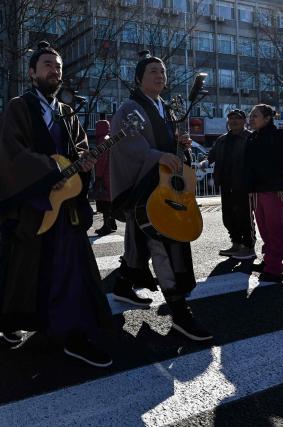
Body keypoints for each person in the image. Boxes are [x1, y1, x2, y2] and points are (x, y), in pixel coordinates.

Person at [0, 41, 114, 368]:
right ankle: (15, 320)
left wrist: (85, 162)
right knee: (23, 269)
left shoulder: (67, 112)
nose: (54, 70)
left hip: (65, 206)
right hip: (33, 204)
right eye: (47, 65)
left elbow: (81, 149)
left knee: (69, 269)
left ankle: (72, 333)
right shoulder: (19, 107)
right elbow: (12, 155)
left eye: (57, 66)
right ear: (32, 73)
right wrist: (51, 168)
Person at [109, 51, 212, 341]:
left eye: (163, 71)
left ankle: (122, 285)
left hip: (162, 187)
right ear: (139, 78)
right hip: (145, 188)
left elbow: (172, 148)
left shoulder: (164, 108)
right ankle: (180, 313)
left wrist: (182, 145)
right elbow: (130, 147)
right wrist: (159, 155)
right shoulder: (130, 109)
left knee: (142, 243)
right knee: (161, 244)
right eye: (153, 71)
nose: (160, 75)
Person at [245, 104, 283, 283]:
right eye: (251, 116)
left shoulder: (279, 136)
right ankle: (268, 261)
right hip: (256, 190)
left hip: (274, 189)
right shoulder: (252, 138)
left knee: (274, 230)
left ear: (267, 118)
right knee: (264, 230)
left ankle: (275, 269)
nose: (251, 119)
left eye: (255, 116)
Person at [203, 109, 255, 260]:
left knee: (244, 216)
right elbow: (212, 154)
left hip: (244, 185)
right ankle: (236, 244)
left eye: (237, 118)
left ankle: (249, 246)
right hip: (226, 184)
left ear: (244, 121)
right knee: (228, 216)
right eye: (231, 118)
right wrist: (206, 161)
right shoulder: (222, 139)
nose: (233, 121)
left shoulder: (251, 138)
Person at [92, 120, 117, 236]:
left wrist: (98, 176)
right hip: (112, 174)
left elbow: (101, 160)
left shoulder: (102, 140)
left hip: (105, 176)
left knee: (104, 202)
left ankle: (107, 226)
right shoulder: (111, 138)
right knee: (110, 202)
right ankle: (112, 223)